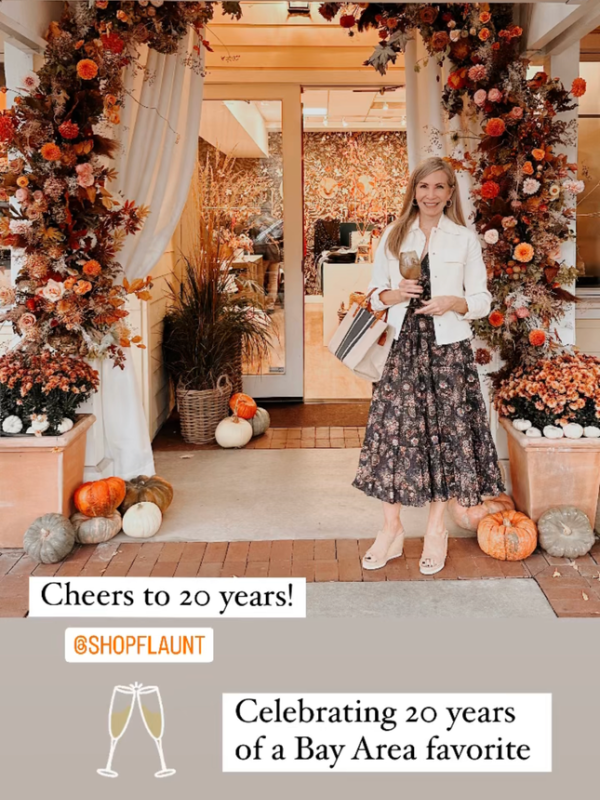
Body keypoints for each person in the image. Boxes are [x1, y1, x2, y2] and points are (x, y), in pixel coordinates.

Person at [353, 156, 506, 575]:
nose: (431, 195)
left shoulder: (463, 239)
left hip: (447, 348)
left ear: (450, 192)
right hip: (402, 346)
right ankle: (391, 529)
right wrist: (395, 293)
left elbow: (482, 300)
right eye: (424, 187)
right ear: (414, 191)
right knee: (394, 434)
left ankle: (436, 531)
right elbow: (373, 294)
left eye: (439, 187)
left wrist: (453, 302)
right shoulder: (393, 234)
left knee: (444, 435)